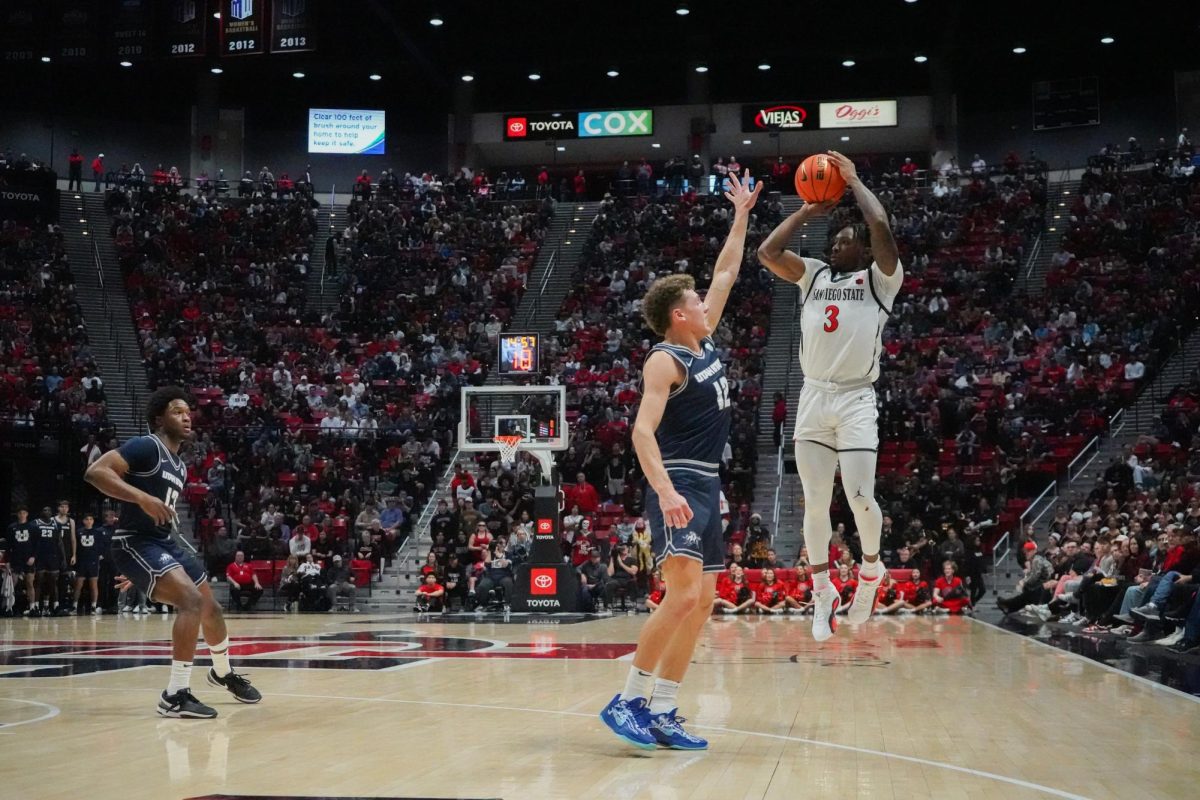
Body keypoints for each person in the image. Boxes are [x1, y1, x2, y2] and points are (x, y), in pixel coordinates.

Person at [600, 169, 762, 751]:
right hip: (678, 481)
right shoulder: (665, 361)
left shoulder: (706, 339)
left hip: (707, 482)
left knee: (705, 601)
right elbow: (641, 433)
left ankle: (665, 708)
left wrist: (741, 214)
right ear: (678, 315)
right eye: (693, 300)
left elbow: (726, 270)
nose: (703, 300)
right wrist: (666, 492)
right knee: (684, 595)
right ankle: (628, 698)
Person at [757, 150, 903, 642]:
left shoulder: (881, 280)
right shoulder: (815, 273)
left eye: (843, 242)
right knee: (815, 502)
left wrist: (856, 181)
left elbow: (879, 221)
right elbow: (767, 254)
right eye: (834, 241)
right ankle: (822, 591)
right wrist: (806, 210)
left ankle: (869, 572)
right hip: (813, 398)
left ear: (862, 252)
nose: (835, 246)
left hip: (857, 399)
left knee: (861, 497)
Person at [84, 386, 262, 718]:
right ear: (159, 417)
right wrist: (140, 497)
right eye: (178, 411)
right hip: (135, 542)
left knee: (212, 610)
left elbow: (162, 514)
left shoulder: (178, 465)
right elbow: (95, 472)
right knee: (190, 602)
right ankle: (174, 694)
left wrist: (149, 573)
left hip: (162, 545)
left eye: (188, 412)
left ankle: (222, 672)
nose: (186, 417)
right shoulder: (145, 446)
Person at [73, 513, 108, 615]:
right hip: (81, 561)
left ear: (93, 521)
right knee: (78, 584)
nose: (89, 521)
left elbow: (102, 546)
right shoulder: (79, 532)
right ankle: (74, 606)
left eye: (90, 519)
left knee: (93, 584)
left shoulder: (98, 533)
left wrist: (100, 555)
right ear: (83, 521)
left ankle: (93, 606)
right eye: (86, 519)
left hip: (93, 561)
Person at [33, 506, 66, 616]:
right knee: (39, 581)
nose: (47, 512)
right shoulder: (35, 524)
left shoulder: (56, 524)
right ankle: (36, 606)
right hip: (40, 557)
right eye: (45, 510)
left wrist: (63, 558)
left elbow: (60, 542)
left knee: (53, 582)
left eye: (49, 510)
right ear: (41, 512)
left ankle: (54, 606)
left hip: (53, 556)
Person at [6, 508, 37, 615]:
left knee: (30, 583)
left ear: (27, 514)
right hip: (16, 559)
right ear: (17, 514)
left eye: (24, 513)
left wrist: (33, 557)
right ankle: (8, 607)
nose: (22, 515)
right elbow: (8, 545)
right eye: (20, 513)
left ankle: (32, 607)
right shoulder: (12, 527)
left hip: (29, 559)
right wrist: (8, 560)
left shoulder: (32, 527)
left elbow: (36, 544)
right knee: (12, 583)